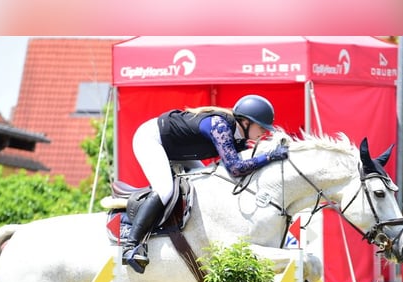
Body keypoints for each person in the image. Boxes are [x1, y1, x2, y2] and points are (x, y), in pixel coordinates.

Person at [123, 94, 289, 273]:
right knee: (165, 190)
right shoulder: (220, 125)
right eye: (262, 127)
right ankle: (131, 245)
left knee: (202, 185)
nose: (264, 133)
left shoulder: (239, 137)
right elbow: (235, 168)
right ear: (246, 122)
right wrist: (270, 156)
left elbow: (245, 167)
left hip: (177, 151)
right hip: (151, 139)